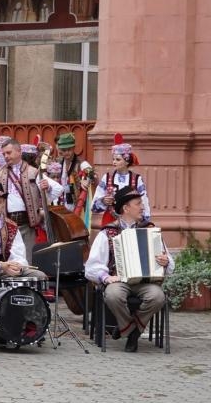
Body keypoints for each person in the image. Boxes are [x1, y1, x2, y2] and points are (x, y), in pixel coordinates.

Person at [85, 186, 173, 352]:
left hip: (145, 281)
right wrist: (105, 277)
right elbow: (91, 266)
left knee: (157, 296)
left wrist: (165, 261)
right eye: (138, 203)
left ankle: (128, 330)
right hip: (119, 280)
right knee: (112, 294)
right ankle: (132, 330)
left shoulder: (149, 230)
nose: (143, 207)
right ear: (126, 208)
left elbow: (169, 262)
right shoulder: (108, 233)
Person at [0, 139, 63, 263]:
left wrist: (47, 189)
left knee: (27, 261)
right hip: (6, 225)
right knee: (8, 261)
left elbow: (58, 189)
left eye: (9, 153)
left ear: (19, 152)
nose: (6, 156)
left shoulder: (33, 172)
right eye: (4, 154)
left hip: (27, 225)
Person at [91, 133, 150, 225]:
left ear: (126, 161)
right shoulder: (107, 178)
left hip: (132, 220)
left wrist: (145, 221)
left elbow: (143, 201)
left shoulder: (136, 179)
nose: (114, 162)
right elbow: (94, 205)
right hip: (110, 220)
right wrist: (103, 201)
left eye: (118, 160)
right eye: (113, 159)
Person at [54, 133, 95, 213]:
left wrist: (86, 180)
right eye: (64, 150)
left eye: (69, 149)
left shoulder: (81, 163)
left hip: (76, 205)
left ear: (73, 148)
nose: (66, 152)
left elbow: (91, 173)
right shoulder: (58, 162)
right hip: (61, 203)